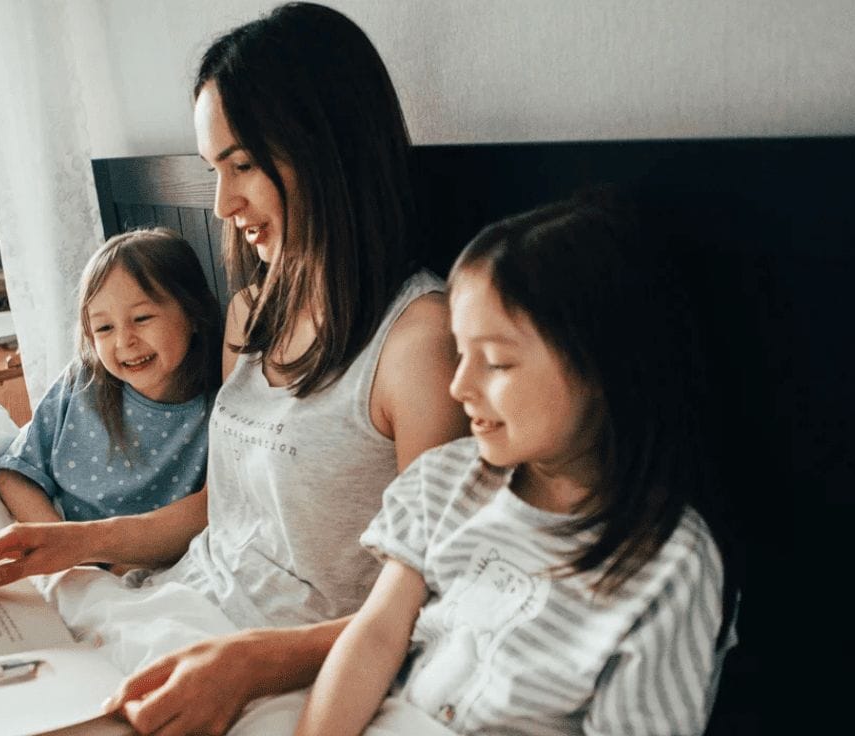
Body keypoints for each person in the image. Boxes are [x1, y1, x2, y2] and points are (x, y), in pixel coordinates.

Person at [0, 3, 467, 734]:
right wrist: (72, 541)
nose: (222, 204)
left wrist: (248, 663)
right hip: (180, 601)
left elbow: (431, 597)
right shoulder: (254, 311)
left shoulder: (418, 343)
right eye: (214, 169)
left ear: (328, 148)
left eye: (242, 165)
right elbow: (228, 510)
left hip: (286, 657)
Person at [295, 190, 737, 735]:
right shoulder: (445, 482)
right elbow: (374, 637)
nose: (460, 387)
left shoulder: (670, 562)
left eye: (498, 362)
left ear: (603, 372)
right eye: (461, 354)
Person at [0, 227, 220, 524]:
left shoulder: (217, 407)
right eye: (104, 328)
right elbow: (13, 473)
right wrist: (66, 548)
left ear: (194, 314)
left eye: (142, 318)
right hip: (62, 536)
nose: (124, 342)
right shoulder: (84, 380)